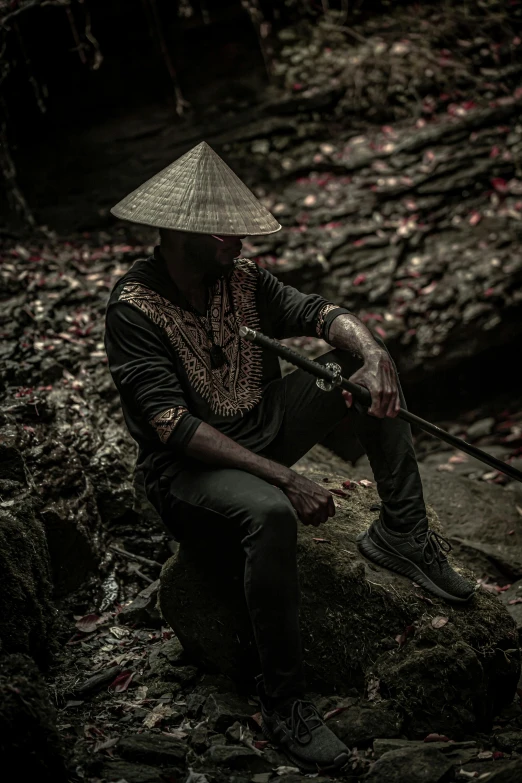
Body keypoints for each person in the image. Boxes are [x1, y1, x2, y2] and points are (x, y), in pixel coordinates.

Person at [104, 141, 475, 773]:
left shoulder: (241, 279)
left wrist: (374, 354)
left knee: (363, 373)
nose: (242, 243)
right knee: (271, 513)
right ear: (179, 232)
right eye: (228, 233)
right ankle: (284, 704)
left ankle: (405, 535)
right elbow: (172, 425)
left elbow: (321, 312)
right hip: (187, 471)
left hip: (262, 424)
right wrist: (288, 479)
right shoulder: (133, 309)